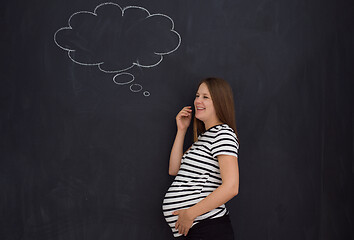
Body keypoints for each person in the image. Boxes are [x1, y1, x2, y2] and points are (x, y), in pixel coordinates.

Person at [162, 77, 240, 240]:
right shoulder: (204, 139)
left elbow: (231, 187)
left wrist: (190, 214)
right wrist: (181, 130)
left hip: (208, 228)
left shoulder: (223, 134)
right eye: (197, 95)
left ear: (219, 102)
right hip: (197, 230)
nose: (198, 100)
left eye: (205, 97)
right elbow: (174, 170)